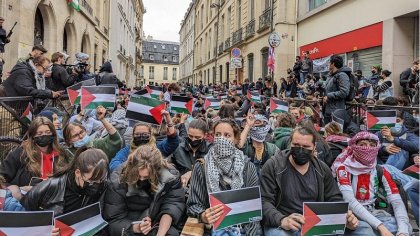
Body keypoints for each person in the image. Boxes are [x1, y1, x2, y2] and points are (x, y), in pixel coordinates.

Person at [261, 126, 364, 235]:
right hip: (283, 223)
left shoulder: (322, 169)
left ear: (314, 147)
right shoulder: (274, 166)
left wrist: (345, 218)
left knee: (365, 229)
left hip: (315, 222)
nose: (300, 150)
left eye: (305, 147)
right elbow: (264, 201)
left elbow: (334, 198)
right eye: (296, 145)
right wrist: (281, 220)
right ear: (290, 144)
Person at [187, 119, 262, 235]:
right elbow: (193, 204)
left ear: (236, 139)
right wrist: (203, 215)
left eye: (227, 135)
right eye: (218, 135)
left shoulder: (248, 167)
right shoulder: (202, 166)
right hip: (212, 229)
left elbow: (253, 211)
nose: (222, 139)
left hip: (243, 229)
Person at [332, 131, 412, 236]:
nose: (367, 148)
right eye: (362, 145)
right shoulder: (343, 169)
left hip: (374, 212)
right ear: (354, 147)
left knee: (407, 227)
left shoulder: (381, 170)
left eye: (372, 145)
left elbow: (396, 201)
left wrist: (403, 232)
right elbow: (350, 201)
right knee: (366, 232)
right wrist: (381, 227)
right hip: (352, 215)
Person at [20, 148, 108, 236]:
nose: (96, 185)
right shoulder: (49, 187)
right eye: (91, 181)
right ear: (77, 172)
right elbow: (24, 222)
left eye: (100, 180)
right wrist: (45, 231)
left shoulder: (103, 186)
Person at [103, 144, 185, 236]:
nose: (141, 179)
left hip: (156, 220)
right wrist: (135, 228)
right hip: (129, 225)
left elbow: (173, 204)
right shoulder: (118, 181)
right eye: (137, 175)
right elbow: (113, 220)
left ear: (157, 171)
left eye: (146, 177)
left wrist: (161, 233)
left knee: (172, 233)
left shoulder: (170, 177)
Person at [0, 116, 69, 187]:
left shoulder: (61, 153)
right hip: (25, 196)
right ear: (32, 136)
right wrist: (14, 189)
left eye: (48, 132)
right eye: (39, 134)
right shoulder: (20, 153)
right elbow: (2, 178)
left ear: (53, 134)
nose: (44, 135)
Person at [109, 111, 179, 172]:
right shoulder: (128, 149)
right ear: (133, 135)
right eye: (137, 134)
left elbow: (172, 143)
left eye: (145, 134)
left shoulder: (157, 147)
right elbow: (114, 164)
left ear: (150, 135)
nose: (141, 136)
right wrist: (132, 163)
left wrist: (169, 121)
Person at [171, 118, 211, 187]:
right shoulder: (179, 149)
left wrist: (193, 173)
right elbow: (172, 168)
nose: (193, 139)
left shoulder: (210, 150)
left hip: (202, 189)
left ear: (205, 135)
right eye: (190, 136)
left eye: (197, 137)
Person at [323, 55, 350, 124]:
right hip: (329, 109)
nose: (328, 64)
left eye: (329, 62)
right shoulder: (332, 75)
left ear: (333, 64)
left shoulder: (342, 75)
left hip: (336, 112)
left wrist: (329, 96)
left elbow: (344, 92)